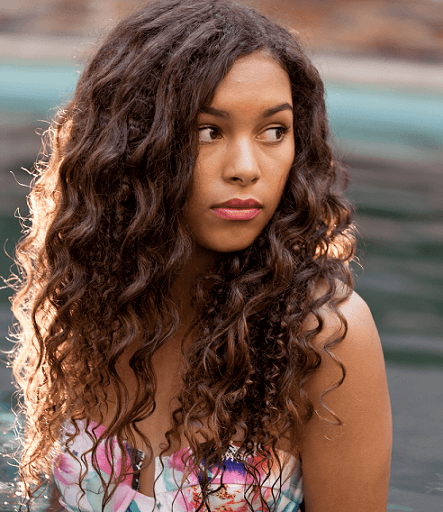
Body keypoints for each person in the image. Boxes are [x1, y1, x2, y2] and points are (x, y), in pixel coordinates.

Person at [10, 0, 392, 510]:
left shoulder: (326, 336)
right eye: (208, 131)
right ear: (133, 145)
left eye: (274, 131)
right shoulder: (89, 301)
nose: (245, 168)